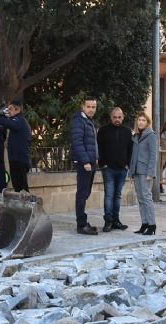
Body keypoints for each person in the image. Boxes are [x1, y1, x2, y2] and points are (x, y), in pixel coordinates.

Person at [97, 107, 132, 232]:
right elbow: (99, 148)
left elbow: (130, 150)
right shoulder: (103, 131)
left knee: (117, 196)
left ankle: (116, 221)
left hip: (122, 169)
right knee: (109, 195)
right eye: (114, 117)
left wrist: (128, 164)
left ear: (123, 117)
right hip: (108, 169)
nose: (117, 119)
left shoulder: (127, 131)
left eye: (119, 117)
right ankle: (108, 221)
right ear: (111, 117)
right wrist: (103, 164)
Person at [71, 96, 99, 235]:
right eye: (88, 107)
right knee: (82, 194)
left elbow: (91, 143)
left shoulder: (88, 121)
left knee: (85, 193)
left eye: (93, 107)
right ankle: (81, 225)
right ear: (83, 107)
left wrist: (95, 158)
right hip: (85, 163)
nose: (91, 109)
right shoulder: (79, 121)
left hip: (91, 162)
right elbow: (77, 142)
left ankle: (82, 222)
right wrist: (86, 161)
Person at [129, 112, 158, 236]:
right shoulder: (135, 136)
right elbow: (133, 156)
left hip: (146, 172)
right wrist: (131, 172)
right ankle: (144, 223)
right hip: (136, 171)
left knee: (146, 198)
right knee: (140, 199)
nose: (141, 122)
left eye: (143, 120)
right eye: (139, 120)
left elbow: (153, 155)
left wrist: (150, 173)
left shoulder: (151, 136)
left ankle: (152, 224)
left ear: (147, 122)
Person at [0, 101, 32, 192]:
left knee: (21, 187)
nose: (8, 111)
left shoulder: (19, 120)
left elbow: (7, 123)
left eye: (10, 109)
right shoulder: (16, 120)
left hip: (20, 159)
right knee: (17, 185)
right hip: (15, 158)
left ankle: (27, 205)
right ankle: (22, 205)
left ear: (18, 109)